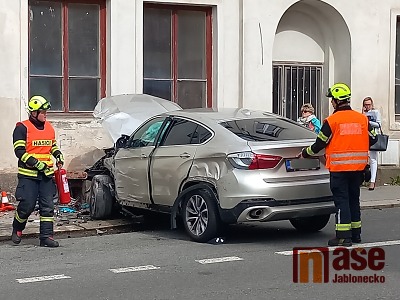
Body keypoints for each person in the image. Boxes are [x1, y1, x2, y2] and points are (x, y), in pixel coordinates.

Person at [299, 83, 377, 247]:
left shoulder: (332, 121)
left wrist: (305, 153)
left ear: (336, 101)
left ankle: (343, 237)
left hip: (340, 170)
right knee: (354, 201)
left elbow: (319, 144)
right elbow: (374, 138)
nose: (331, 103)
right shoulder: (362, 118)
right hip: (358, 169)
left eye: (332, 100)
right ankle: (356, 234)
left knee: (342, 202)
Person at [11, 95, 64, 247]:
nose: (45, 115)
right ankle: (17, 228)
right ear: (33, 113)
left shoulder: (49, 127)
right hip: (28, 176)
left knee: (47, 207)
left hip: (46, 175)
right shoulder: (22, 128)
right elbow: (19, 151)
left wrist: (58, 155)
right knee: (27, 205)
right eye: (43, 112)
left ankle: (46, 237)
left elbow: (52, 146)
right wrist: (36, 164)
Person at [362, 97, 381, 191]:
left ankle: (372, 181)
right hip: (364, 137)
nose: (367, 106)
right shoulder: (363, 114)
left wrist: (368, 122)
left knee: (373, 159)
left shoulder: (375, 112)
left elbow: (379, 124)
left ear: (372, 104)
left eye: (369, 104)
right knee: (363, 157)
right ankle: (363, 178)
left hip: (373, 137)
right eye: (365, 104)